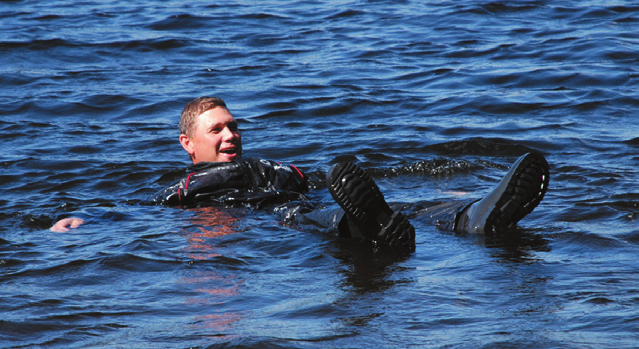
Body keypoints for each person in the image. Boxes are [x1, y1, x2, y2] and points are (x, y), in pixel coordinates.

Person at [51, 97, 550, 254]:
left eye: (234, 126)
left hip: (316, 201)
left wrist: (444, 187)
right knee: (317, 216)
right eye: (216, 130)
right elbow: (137, 211)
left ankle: (473, 216)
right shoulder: (186, 188)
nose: (229, 136)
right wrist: (82, 219)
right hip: (277, 221)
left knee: (406, 208)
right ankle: (369, 227)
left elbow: (364, 177)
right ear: (189, 144)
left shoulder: (272, 168)